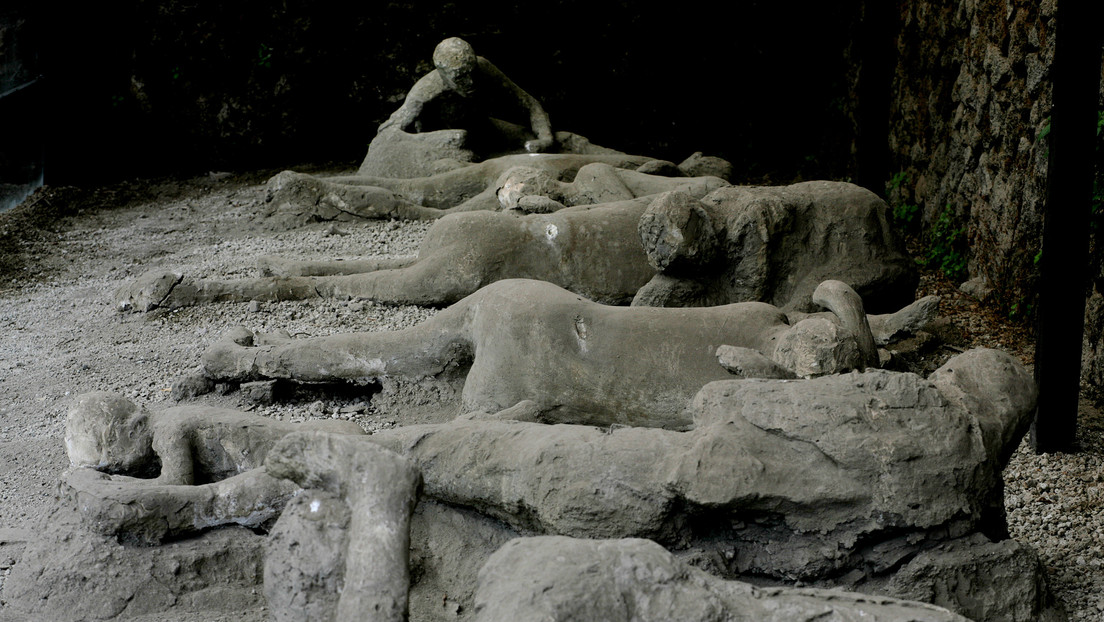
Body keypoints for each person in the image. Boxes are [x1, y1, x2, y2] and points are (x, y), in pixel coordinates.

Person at [377, 37, 554, 155]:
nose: (470, 82)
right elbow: (388, 133)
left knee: (526, 139)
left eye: (472, 72)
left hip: (484, 131)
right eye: (460, 77)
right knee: (460, 139)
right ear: (443, 75)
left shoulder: (483, 68)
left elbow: (530, 104)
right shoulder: (424, 91)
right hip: (444, 143)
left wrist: (545, 138)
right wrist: (438, 140)